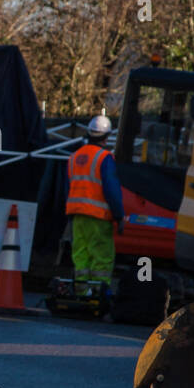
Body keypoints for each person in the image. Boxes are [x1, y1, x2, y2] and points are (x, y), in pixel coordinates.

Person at [65, 114, 124, 311]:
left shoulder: (74, 157)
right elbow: (112, 190)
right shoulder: (104, 158)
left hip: (76, 214)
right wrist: (119, 215)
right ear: (106, 137)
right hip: (98, 216)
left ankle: (82, 293)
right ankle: (98, 293)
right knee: (101, 256)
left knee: (80, 254)